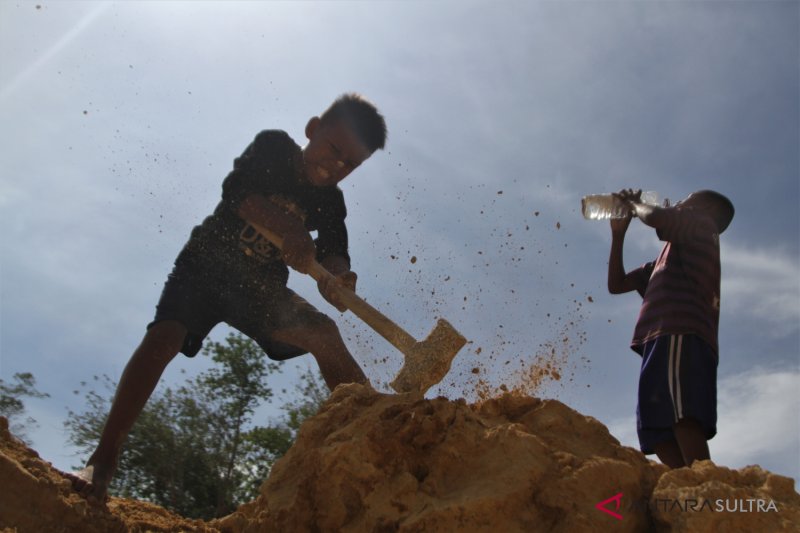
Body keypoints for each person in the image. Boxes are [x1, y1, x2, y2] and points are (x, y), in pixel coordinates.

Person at [67, 93, 388, 501]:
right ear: (312, 130)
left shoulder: (331, 203)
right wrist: (288, 226)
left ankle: (382, 427)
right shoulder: (273, 147)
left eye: (350, 165)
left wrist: (340, 279)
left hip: (259, 289)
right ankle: (104, 459)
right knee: (165, 336)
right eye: (333, 150)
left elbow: (333, 250)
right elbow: (239, 194)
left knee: (324, 332)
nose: (335, 166)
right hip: (205, 267)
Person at [606, 188, 734, 468]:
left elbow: (656, 217)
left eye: (684, 202)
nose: (676, 203)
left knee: (682, 416)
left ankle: (706, 486)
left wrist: (636, 203)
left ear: (706, 210)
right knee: (657, 427)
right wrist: (618, 234)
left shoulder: (703, 225)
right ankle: (687, 491)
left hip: (681, 333)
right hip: (658, 341)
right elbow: (616, 285)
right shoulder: (667, 258)